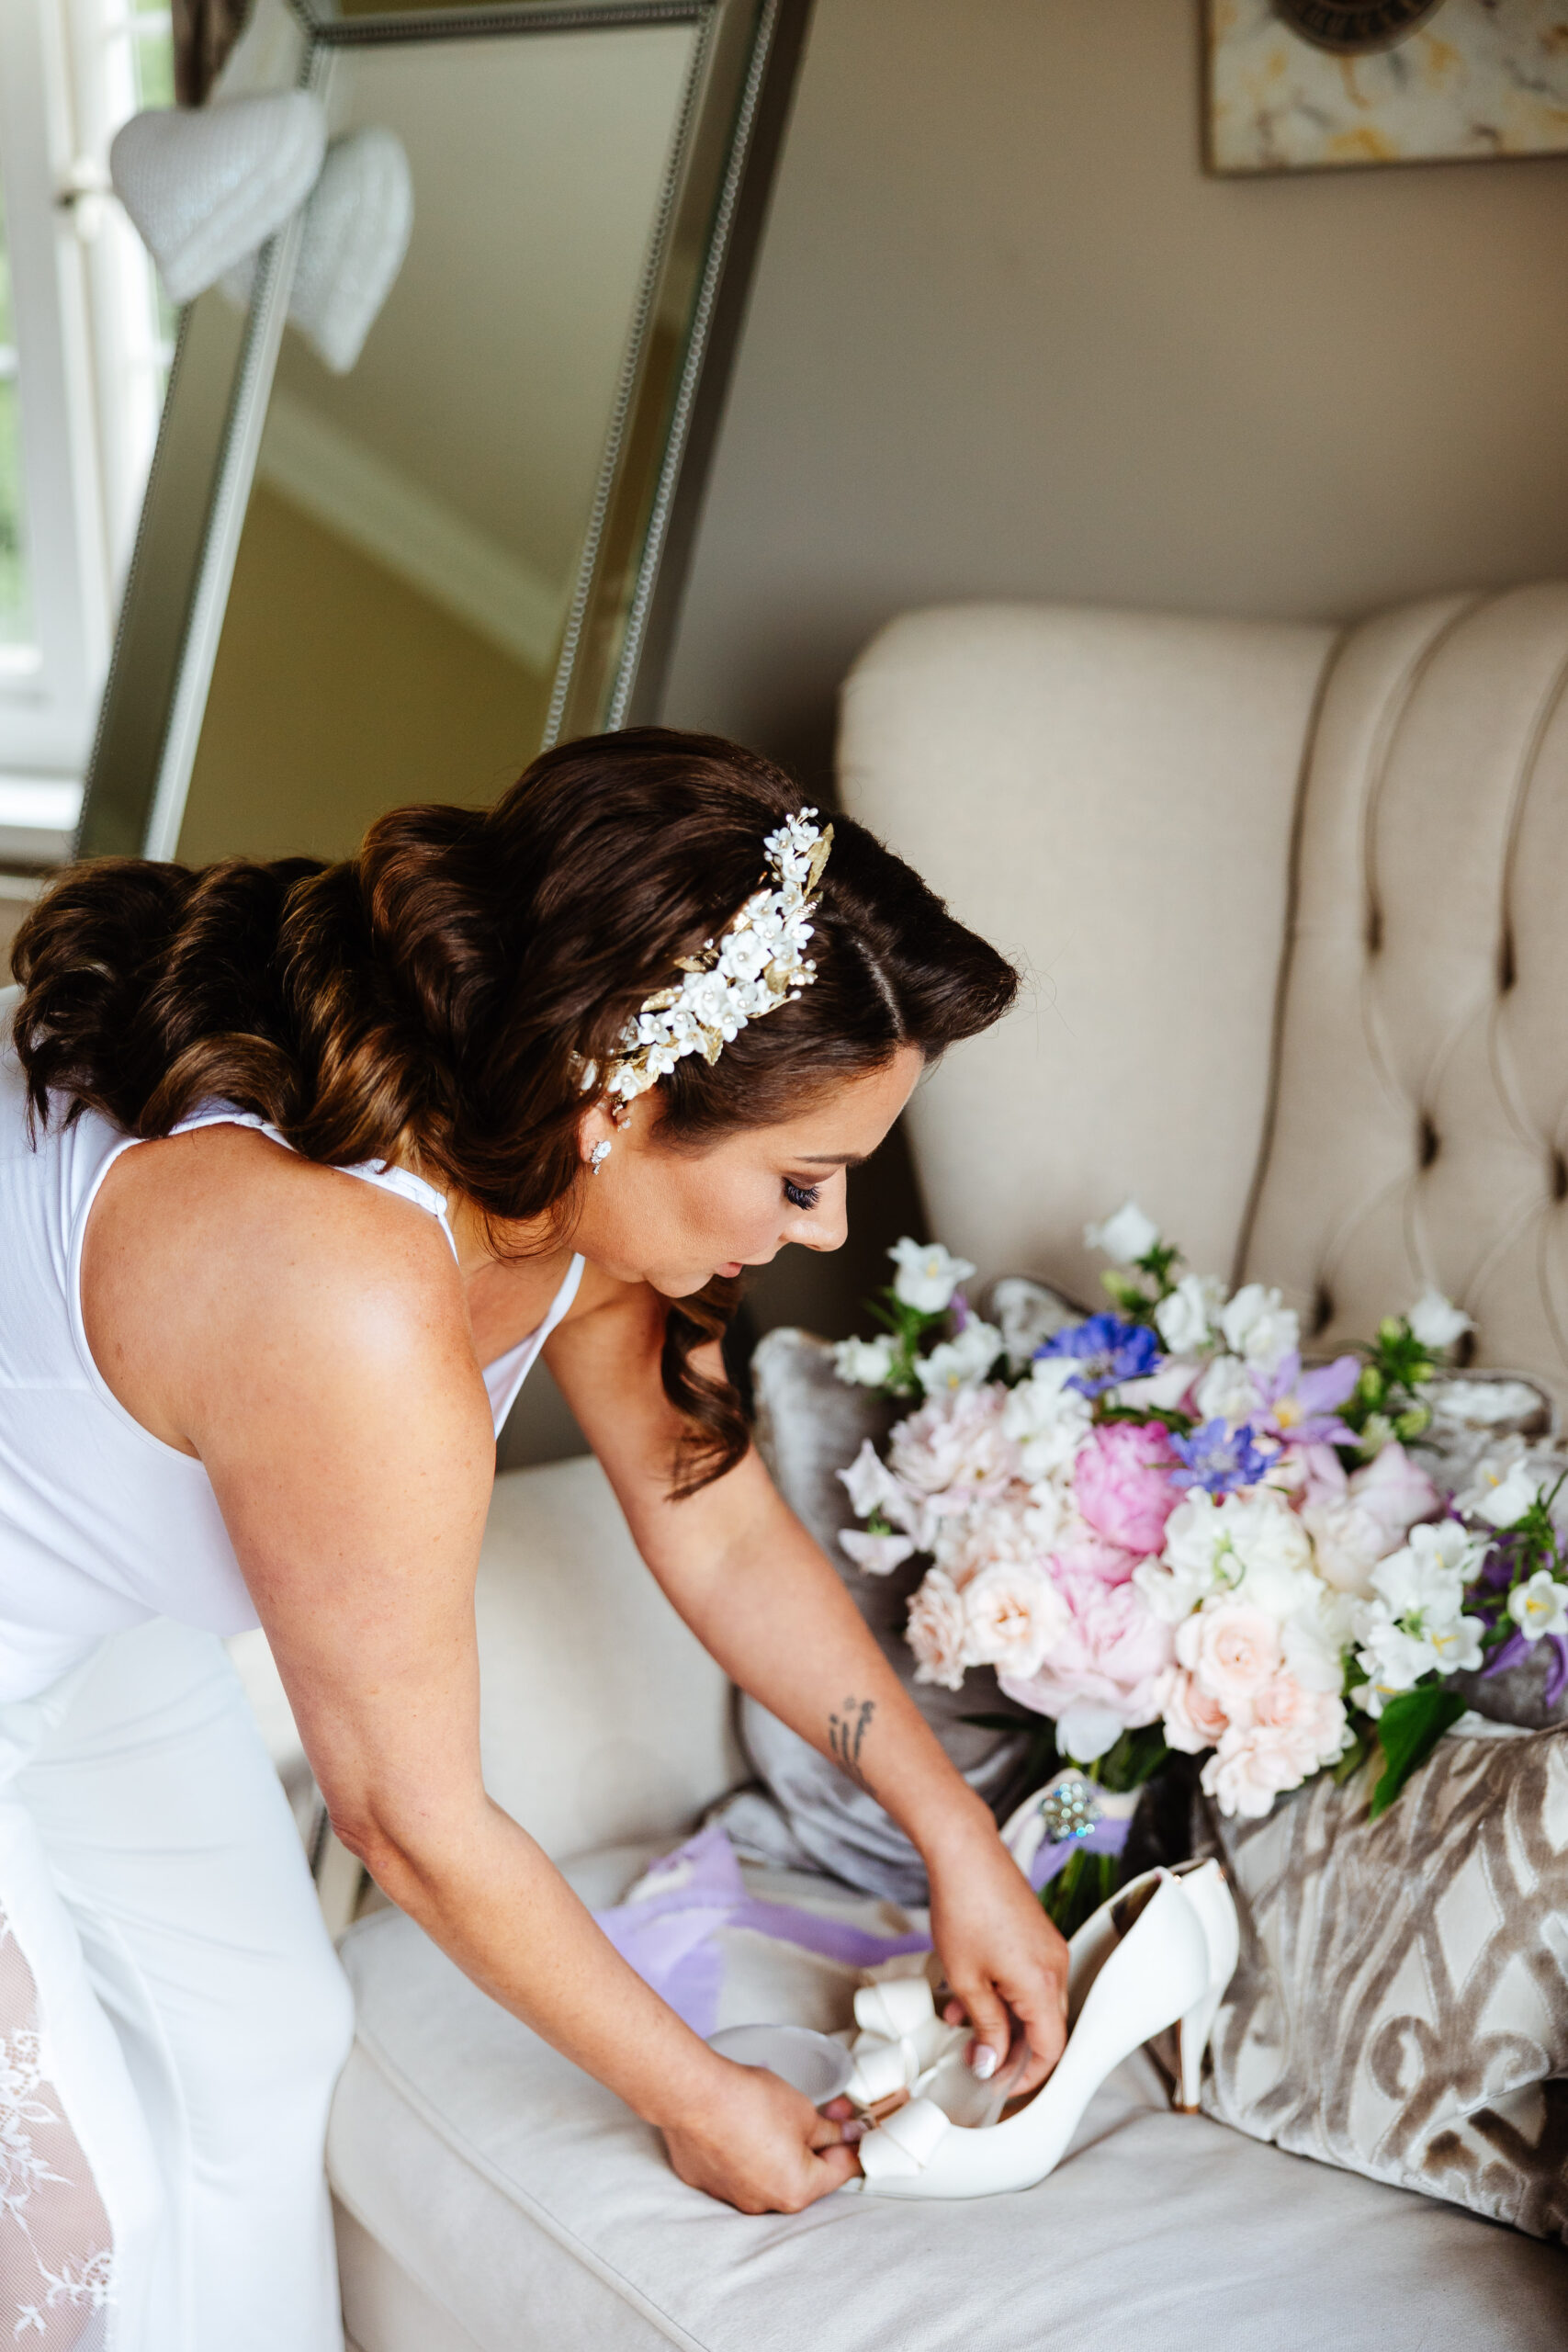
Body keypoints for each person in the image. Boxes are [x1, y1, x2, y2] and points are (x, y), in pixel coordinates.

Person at [0, 728, 1067, 2350]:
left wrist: (958, 1841)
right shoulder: (349, 1302)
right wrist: (699, 2094)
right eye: (805, 1175)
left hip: (71, 1626)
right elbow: (411, 1820)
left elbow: (709, 1521)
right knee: (77, 2210)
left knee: (276, 2039)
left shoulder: (566, 1196)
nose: (832, 1228)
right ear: (617, 1096)